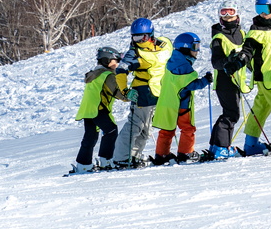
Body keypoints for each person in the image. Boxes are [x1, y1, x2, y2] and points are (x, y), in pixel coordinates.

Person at [110, 17, 174, 168]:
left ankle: (134, 156)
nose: (139, 40)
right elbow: (120, 70)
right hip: (142, 92)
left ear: (150, 34)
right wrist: (125, 91)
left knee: (146, 129)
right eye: (135, 37)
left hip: (159, 92)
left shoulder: (164, 45)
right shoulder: (135, 53)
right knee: (136, 125)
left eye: (142, 36)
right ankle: (121, 158)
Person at [152, 32, 213, 165]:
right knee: (188, 128)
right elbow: (191, 85)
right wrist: (205, 81)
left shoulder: (172, 61)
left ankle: (161, 154)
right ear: (186, 48)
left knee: (167, 130)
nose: (197, 51)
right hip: (182, 104)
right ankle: (186, 152)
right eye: (195, 47)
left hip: (166, 103)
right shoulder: (183, 66)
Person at [68, 46, 126, 175]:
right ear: (106, 60)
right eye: (114, 61)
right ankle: (106, 161)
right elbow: (117, 92)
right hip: (99, 110)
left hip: (88, 111)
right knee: (111, 131)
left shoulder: (93, 74)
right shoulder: (107, 75)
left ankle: (83, 165)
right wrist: (130, 96)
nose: (116, 64)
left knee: (90, 137)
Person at [243, 0, 271, 155]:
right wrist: (241, 60)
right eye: (259, 8)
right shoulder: (255, 31)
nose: (262, 13)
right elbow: (247, 51)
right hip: (268, 78)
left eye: (266, 9)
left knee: (261, 108)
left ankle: (251, 143)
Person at [208, 5, 253, 160]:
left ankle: (216, 146)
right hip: (225, 81)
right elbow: (216, 62)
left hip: (237, 80)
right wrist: (228, 61)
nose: (227, 16)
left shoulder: (241, 33)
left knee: (231, 112)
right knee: (231, 114)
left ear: (237, 15)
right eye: (224, 13)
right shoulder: (218, 37)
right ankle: (221, 147)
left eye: (231, 13)